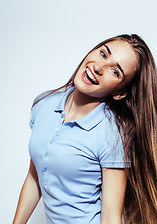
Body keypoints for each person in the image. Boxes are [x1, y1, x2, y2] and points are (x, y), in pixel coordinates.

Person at [13, 34, 157, 224]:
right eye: (103, 54)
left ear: (120, 92)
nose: (98, 67)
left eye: (115, 71)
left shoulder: (112, 135)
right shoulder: (44, 104)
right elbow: (34, 177)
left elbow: (110, 218)